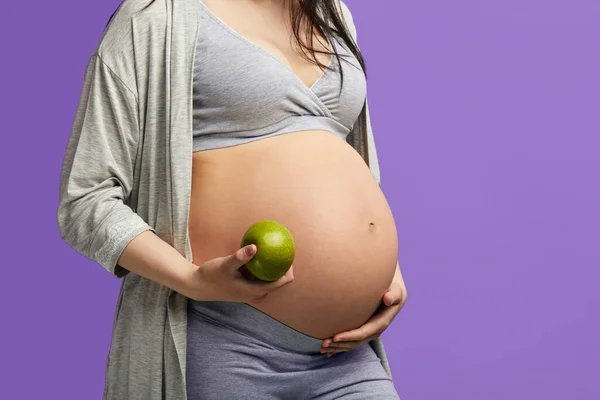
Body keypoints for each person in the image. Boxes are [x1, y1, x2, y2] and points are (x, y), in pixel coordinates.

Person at [57, 0, 408, 399]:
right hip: (226, 345)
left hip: (345, 355)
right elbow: (86, 200)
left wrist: (382, 272)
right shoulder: (155, 18)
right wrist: (191, 281)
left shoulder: (331, 13)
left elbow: (349, 161)